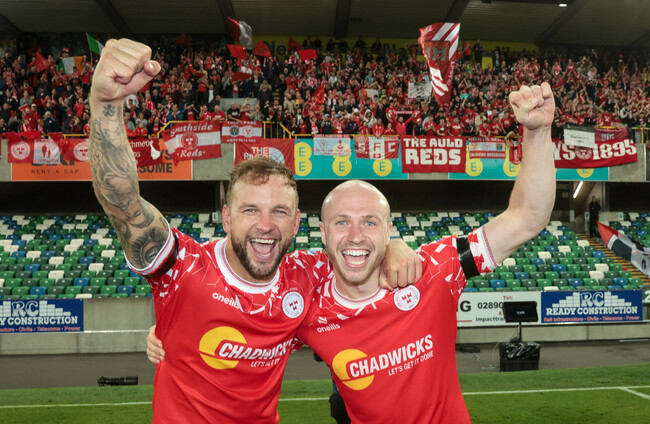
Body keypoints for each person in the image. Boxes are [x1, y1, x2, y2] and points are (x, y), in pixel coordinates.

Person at [149, 82, 557, 423]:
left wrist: (537, 133)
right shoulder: (308, 308)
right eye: (342, 222)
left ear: (390, 229)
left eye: (370, 223)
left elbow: (527, 217)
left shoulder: (434, 271)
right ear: (323, 234)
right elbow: (246, 324)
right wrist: (168, 331)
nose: (356, 236)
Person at [89, 39, 419, 424]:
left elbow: (360, 250)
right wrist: (106, 104)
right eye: (250, 210)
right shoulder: (184, 269)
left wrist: (393, 246)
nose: (265, 225)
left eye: (279, 211)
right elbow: (124, 204)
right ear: (227, 219)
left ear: (297, 223)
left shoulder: (308, 277)